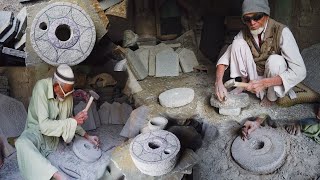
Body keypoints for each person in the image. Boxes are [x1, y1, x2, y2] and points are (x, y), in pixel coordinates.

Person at [214, 0, 306, 107]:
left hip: (272, 78)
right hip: (253, 77)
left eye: (257, 17)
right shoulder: (245, 32)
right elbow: (225, 58)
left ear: (266, 15)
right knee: (236, 43)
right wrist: (218, 82)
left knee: (276, 61)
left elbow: (300, 71)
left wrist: (264, 83)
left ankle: (270, 98)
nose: (252, 23)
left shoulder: (282, 31)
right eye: (247, 19)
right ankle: (242, 85)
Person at [15, 64, 99, 180]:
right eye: (64, 92)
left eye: (69, 92)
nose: (66, 96)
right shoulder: (41, 87)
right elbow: (44, 126)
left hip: (54, 139)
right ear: (55, 86)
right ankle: (56, 175)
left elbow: (69, 119)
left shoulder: (68, 96)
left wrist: (87, 136)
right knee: (21, 143)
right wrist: (73, 121)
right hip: (37, 132)